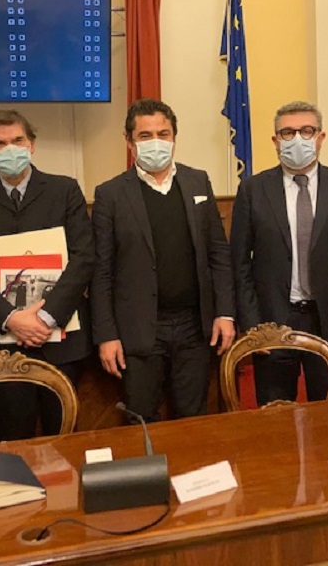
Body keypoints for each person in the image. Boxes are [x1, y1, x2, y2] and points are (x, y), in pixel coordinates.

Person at [91, 98, 235, 423]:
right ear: (129, 142)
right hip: (139, 329)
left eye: (163, 134)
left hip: (194, 327)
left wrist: (225, 312)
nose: (155, 142)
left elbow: (218, 254)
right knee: (141, 420)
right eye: (145, 136)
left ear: (174, 138)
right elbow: (101, 272)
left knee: (193, 419)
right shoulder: (110, 194)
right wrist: (106, 335)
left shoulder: (198, 182)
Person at [0, 109, 93, 440]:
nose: (10, 149)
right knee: (14, 434)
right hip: (5, 345)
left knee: (64, 434)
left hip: (62, 337)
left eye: (18, 140)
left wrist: (45, 317)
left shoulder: (65, 190)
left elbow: (84, 257)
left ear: (31, 145)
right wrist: (12, 318)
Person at [231, 101, 328, 405]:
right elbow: (240, 263)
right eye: (287, 132)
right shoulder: (253, 190)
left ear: (320, 137)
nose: (297, 139)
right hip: (272, 322)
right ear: (275, 140)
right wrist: (253, 327)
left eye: (306, 131)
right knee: (274, 414)